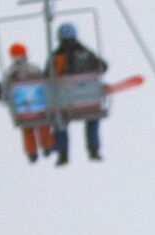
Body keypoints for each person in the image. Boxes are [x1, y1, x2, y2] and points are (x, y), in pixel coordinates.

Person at [46, 22, 107, 165]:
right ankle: (94, 150)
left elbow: (47, 76)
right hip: (87, 98)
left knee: (59, 123)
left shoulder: (56, 57)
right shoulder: (85, 53)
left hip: (65, 101)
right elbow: (102, 66)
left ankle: (63, 154)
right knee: (92, 119)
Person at [0, 43, 53, 163]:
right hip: (39, 106)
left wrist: (4, 97)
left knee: (27, 128)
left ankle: (32, 152)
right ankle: (47, 147)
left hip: (22, 109)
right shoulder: (34, 69)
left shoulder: (9, 73)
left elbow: (5, 91)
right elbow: (44, 84)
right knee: (44, 124)